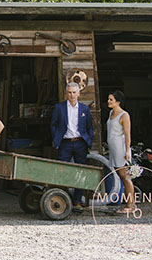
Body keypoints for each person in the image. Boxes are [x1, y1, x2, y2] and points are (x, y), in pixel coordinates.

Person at [51, 82, 94, 211]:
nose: (72, 95)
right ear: (66, 94)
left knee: (80, 171)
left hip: (80, 143)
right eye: (69, 92)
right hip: (65, 143)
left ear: (79, 93)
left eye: (74, 92)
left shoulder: (84, 109)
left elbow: (90, 127)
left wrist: (89, 140)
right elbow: (53, 124)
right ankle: (62, 198)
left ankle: (77, 200)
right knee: (61, 170)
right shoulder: (59, 107)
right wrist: (56, 138)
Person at [107, 90, 136, 214]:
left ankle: (131, 204)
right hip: (113, 148)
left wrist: (127, 150)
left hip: (120, 149)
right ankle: (128, 202)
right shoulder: (111, 113)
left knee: (125, 176)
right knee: (120, 175)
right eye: (108, 99)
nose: (108, 101)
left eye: (111, 100)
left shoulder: (124, 115)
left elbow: (127, 134)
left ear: (118, 102)